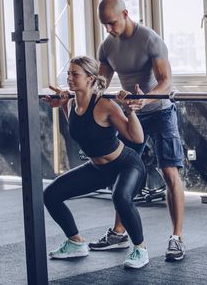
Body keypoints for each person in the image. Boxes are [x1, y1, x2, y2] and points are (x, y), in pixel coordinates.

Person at [88, 0, 185, 262]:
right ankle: (119, 233)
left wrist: (148, 97)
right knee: (123, 171)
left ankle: (176, 238)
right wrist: (79, 95)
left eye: (111, 23)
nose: (108, 29)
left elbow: (166, 81)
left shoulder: (150, 39)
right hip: (132, 114)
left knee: (169, 173)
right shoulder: (107, 46)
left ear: (126, 14)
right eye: (104, 25)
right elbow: (101, 83)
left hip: (160, 111)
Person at [43, 55, 149, 269]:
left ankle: (140, 249)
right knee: (51, 195)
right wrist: (62, 104)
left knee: (120, 197)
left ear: (90, 79)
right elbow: (81, 131)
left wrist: (130, 110)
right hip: (98, 168)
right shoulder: (72, 103)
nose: (70, 78)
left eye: (75, 74)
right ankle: (76, 242)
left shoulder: (106, 105)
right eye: (68, 73)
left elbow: (136, 138)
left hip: (126, 165)